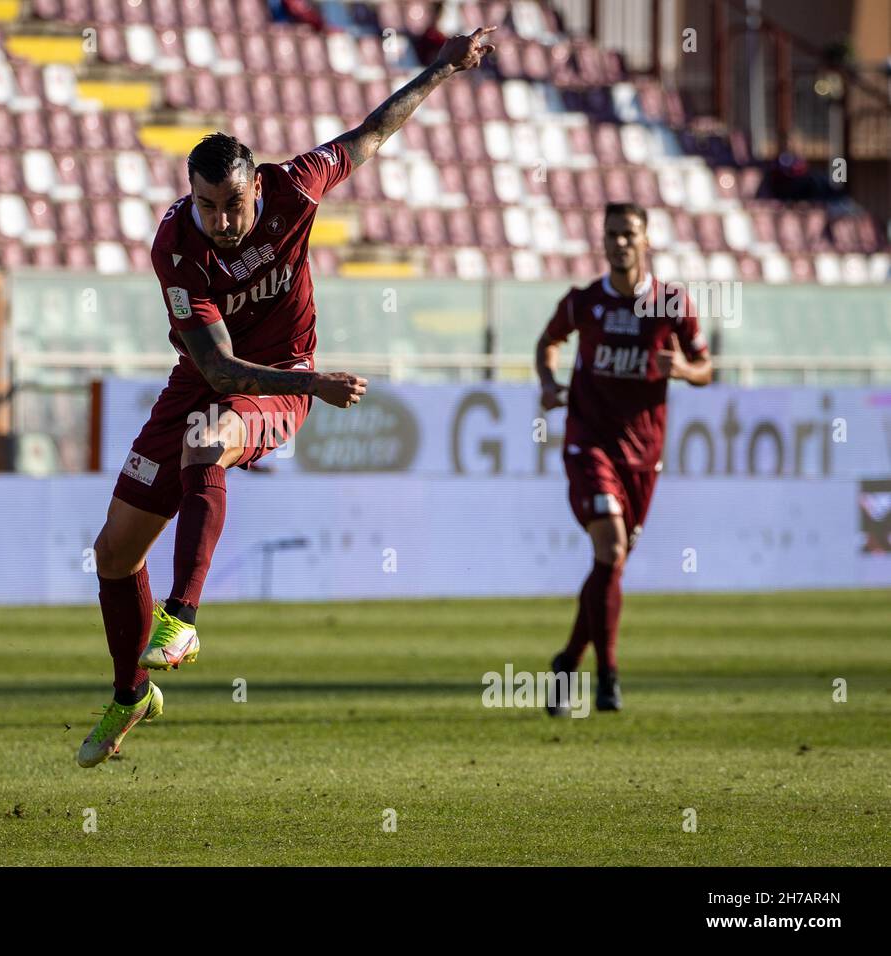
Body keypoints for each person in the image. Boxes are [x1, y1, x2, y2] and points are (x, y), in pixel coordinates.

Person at [77, 27, 499, 766]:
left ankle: (183, 617)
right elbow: (218, 368)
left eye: (231, 204)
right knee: (113, 555)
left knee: (207, 441)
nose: (220, 221)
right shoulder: (176, 246)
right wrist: (316, 384)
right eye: (206, 205)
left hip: (281, 380)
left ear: (255, 187)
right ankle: (131, 694)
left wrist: (443, 65)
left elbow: (372, 132)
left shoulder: (296, 185)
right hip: (224, 378)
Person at [535, 202, 713, 714]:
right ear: (603, 240)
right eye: (611, 234)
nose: (619, 243)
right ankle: (608, 676)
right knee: (611, 550)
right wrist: (549, 382)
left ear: (645, 239)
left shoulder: (672, 305)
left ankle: (568, 662)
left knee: (609, 566)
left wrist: (681, 367)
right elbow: (547, 343)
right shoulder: (584, 302)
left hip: (644, 455)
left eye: (628, 234)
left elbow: (706, 368)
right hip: (588, 442)